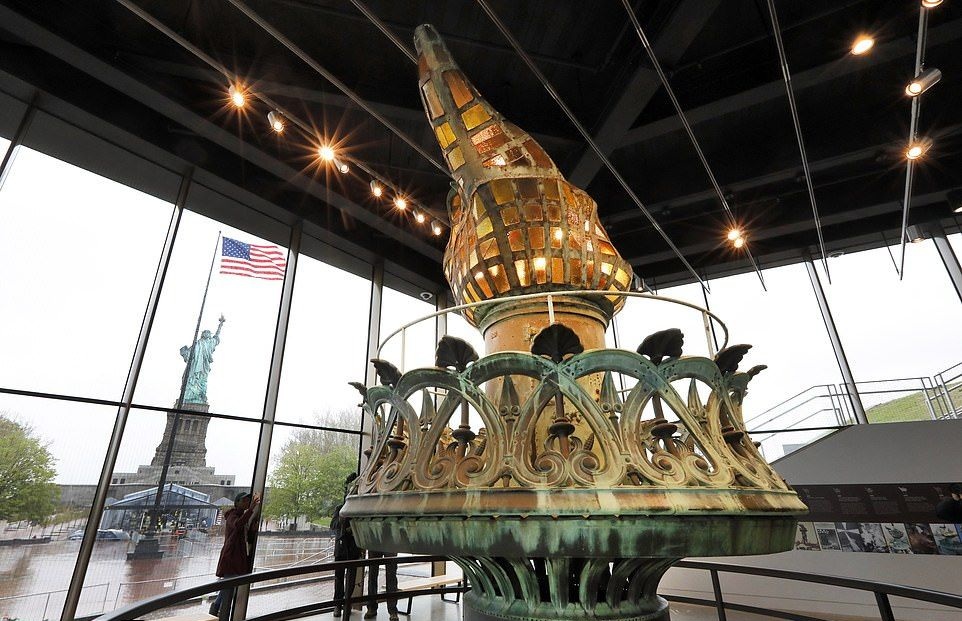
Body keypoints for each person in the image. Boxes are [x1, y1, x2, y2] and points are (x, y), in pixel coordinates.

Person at [210, 491, 261, 620]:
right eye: (244, 500)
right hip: (231, 557)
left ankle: (217, 610)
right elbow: (237, 525)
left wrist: (252, 530)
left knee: (229, 587)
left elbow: (244, 536)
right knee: (228, 587)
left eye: (248, 501)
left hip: (236, 557)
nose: (247, 503)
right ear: (237, 502)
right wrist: (251, 510)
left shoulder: (242, 517)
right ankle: (219, 611)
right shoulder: (232, 516)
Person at [331, 503, 362, 618]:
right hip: (341, 547)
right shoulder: (339, 508)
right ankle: (338, 604)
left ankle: (347, 603)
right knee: (339, 577)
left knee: (351, 578)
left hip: (353, 548)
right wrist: (341, 519)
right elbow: (333, 525)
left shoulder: (358, 508)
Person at [365, 549, 399, 621]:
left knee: (391, 576)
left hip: (389, 543)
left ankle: (392, 610)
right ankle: (371, 607)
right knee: (372, 575)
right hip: (374, 544)